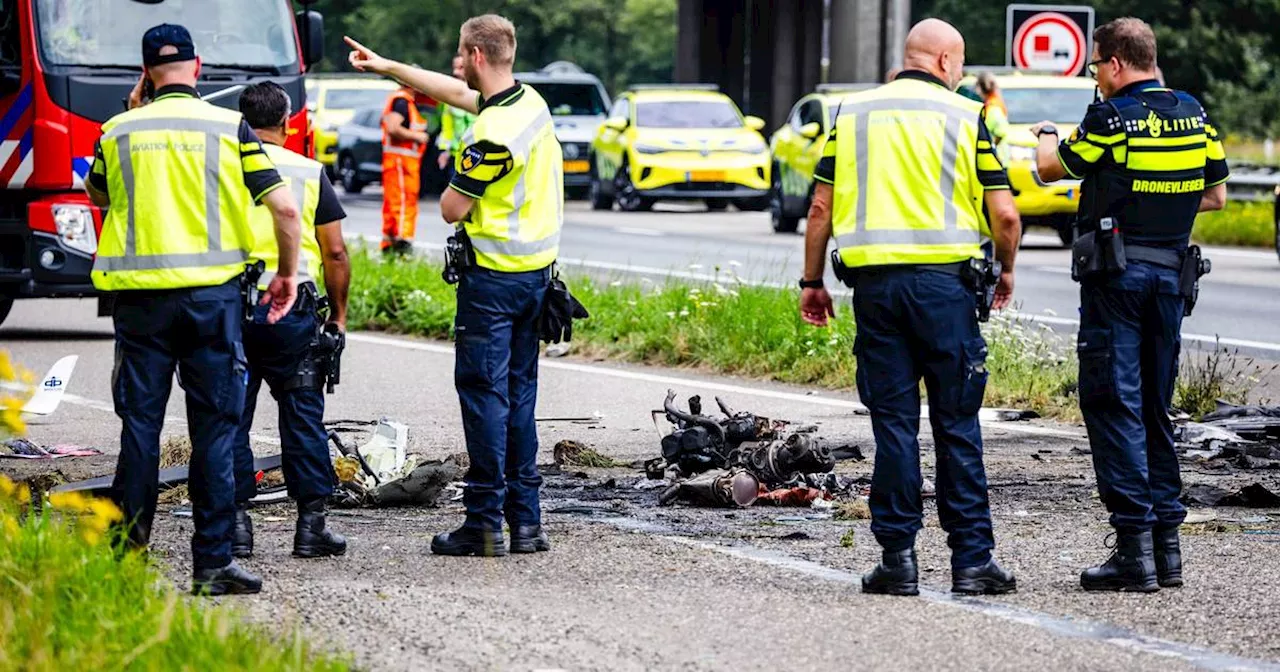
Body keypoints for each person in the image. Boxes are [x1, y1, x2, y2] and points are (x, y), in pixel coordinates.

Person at [799, 18, 1022, 596]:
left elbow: (820, 207)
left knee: (893, 427)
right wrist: (1007, 270)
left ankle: (897, 561)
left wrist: (811, 281)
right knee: (956, 425)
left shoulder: (852, 114)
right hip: (947, 294)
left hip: (876, 295)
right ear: (946, 63)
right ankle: (972, 562)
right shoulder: (965, 116)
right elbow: (1005, 217)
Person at [84, 24, 302, 596]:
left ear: (144, 71)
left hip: (139, 306)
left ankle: (125, 557)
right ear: (197, 67)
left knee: (140, 428)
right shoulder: (229, 128)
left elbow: (99, 196)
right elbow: (283, 209)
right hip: (213, 302)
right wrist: (286, 275)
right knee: (214, 429)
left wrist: (133, 111)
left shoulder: (117, 131)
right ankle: (212, 564)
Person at [345, 13, 562, 557]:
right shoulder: (527, 104)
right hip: (537, 279)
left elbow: (449, 209)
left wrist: (456, 165)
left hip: (493, 285)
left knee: (484, 399)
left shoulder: (490, 134)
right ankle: (526, 522)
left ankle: (484, 522)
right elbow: (457, 95)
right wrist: (389, 67)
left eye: (460, 56)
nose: (455, 65)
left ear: (478, 56)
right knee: (519, 399)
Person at [1031, 17, 1228, 593]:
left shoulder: (1111, 117)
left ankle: (1132, 552)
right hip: (1171, 277)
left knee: (1112, 403)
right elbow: (1213, 195)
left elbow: (1050, 170)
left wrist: (1046, 133)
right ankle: (1168, 553)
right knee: (1153, 408)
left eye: (1095, 66)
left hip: (1116, 279)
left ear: (1115, 64)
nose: (1096, 75)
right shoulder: (1193, 112)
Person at [230, 82, 351, 560]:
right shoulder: (307, 172)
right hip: (293, 312)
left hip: (232, 309)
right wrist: (337, 317)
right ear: (287, 123)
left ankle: (236, 525)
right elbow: (335, 251)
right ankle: (311, 528)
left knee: (230, 420)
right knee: (302, 417)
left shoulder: (224, 168)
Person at [381, 81, 429, 254]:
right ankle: (401, 244)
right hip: (401, 162)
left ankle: (391, 243)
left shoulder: (401, 101)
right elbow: (394, 128)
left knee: (397, 202)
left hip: (402, 162)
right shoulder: (401, 102)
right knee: (401, 202)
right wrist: (418, 136)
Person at [436, 54, 479, 176]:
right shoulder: (448, 97)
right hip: (458, 157)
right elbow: (447, 128)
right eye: (454, 68)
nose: (455, 72)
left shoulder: (484, 93)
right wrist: (444, 151)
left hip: (481, 156)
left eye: (461, 68)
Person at [976, 72, 1011, 166]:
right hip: (1000, 159)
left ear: (979, 88)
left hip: (996, 160)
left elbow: (1001, 132)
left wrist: (992, 147)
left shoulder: (992, 107)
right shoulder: (995, 103)